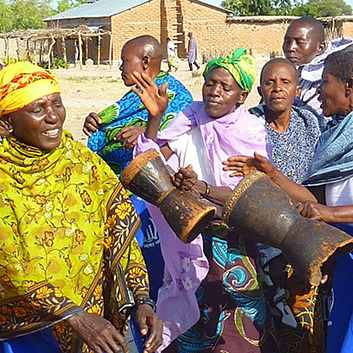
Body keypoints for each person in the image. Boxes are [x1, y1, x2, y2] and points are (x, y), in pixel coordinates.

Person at [0, 61, 163, 353]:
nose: (53, 117)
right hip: (30, 334)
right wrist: (73, 315)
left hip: (95, 322)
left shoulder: (83, 164)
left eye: (57, 105)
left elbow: (121, 229)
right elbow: (9, 266)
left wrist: (142, 299)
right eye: (37, 109)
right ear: (6, 123)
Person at [133, 48, 279, 352]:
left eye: (225, 87)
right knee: (191, 329)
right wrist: (154, 118)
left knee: (238, 331)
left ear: (242, 96)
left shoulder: (251, 131)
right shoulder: (188, 120)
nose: (214, 92)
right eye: (210, 83)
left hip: (235, 245)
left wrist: (201, 189)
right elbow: (150, 166)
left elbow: (253, 194)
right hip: (188, 241)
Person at [226, 46, 353, 353]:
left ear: (348, 87)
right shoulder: (337, 135)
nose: (319, 89)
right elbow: (314, 198)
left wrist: (330, 215)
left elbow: (324, 209)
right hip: (343, 259)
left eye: (325, 81)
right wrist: (271, 174)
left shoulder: (313, 125)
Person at [83, 35, 193, 303]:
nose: (120, 67)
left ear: (145, 62)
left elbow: (178, 139)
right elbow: (112, 128)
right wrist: (97, 123)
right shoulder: (131, 97)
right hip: (121, 195)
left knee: (156, 270)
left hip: (155, 198)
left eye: (124, 61)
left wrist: (147, 130)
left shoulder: (178, 96)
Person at [246, 58, 323, 353]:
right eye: (270, 82)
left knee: (306, 323)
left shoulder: (310, 124)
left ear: (298, 90)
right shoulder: (248, 125)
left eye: (285, 82)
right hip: (264, 235)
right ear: (260, 90)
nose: (277, 88)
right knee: (273, 322)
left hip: (309, 231)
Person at [282, 16, 353, 128]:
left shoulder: (334, 74)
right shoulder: (289, 73)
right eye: (287, 41)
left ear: (321, 48)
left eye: (300, 42)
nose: (290, 48)